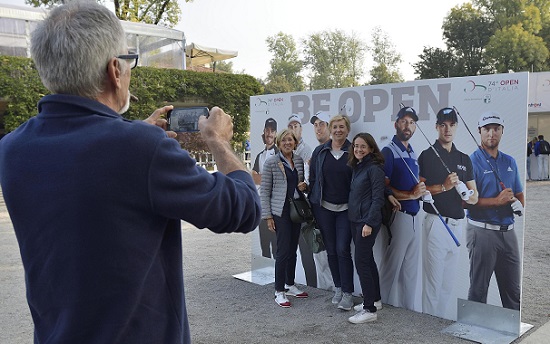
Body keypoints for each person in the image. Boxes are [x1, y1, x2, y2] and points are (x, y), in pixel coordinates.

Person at [0, 2, 261, 343]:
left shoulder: (13, 148)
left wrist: (132, 134)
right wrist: (217, 141)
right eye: (129, 61)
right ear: (115, 70)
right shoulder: (141, 148)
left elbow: (84, 172)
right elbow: (242, 210)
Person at [417, 107, 478, 318]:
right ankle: (428, 326)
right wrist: (443, 187)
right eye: (443, 125)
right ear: (436, 127)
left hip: (457, 225)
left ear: (456, 127)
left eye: (451, 125)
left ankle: (440, 325)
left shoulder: (464, 158)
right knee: (433, 283)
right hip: (436, 222)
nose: (447, 129)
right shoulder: (426, 155)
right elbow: (419, 191)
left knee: (447, 284)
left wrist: (466, 195)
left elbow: (475, 197)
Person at [466, 111, 524, 310]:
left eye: (496, 129)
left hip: (508, 233)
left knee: (513, 289)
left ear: (502, 131)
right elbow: (464, 202)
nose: (491, 133)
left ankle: (511, 328)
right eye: (487, 129)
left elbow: (518, 192)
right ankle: (475, 330)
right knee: (479, 289)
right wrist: (497, 202)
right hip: (482, 232)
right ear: (479, 132)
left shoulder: (510, 162)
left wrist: (518, 203)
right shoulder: (471, 162)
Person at [379, 106, 426, 311]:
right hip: (400, 216)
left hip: (416, 216)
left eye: (412, 122)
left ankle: (409, 312)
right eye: (404, 121)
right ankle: (378, 304)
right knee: (391, 267)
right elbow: (383, 185)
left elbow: (414, 183)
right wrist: (410, 195)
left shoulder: (412, 151)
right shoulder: (388, 150)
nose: (408, 126)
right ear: (396, 124)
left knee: (410, 271)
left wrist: (421, 193)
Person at [309, 114, 355, 311]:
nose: (338, 130)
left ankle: (348, 293)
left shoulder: (355, 151)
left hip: (346, 209)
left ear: (347, 129)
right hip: (324, 209)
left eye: (341, 127)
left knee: (343, 249)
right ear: (330, 129)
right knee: (331, 250)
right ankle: (338, 288)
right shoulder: (320, 151)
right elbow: (313, 181)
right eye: (334, 126)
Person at [260, 129, 309, 307]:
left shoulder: (298, 160)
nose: (287, 143)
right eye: (284, 141)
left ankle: (290, 284)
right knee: (283, 252)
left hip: (296, 210)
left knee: (293, 249)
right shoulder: (272, 162)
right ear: (279, 144)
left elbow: (300, 185)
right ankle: (279, 291)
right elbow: (264, 191)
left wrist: (304, 186)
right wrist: (267, 217)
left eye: (291, 140)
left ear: (295, 142)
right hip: (280, 212)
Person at [347, 133, 385, 324]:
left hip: (366, 221)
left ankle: (369, 309)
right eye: (356, 146)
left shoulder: (374, 168)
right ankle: (375, 300)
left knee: (361, 262)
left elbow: (378, 198)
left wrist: (369, 223)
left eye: (363, 146)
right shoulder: (358, 166)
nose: (359, 149)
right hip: (356, 220)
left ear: (371, 148)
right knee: (367, 260)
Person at [286, 114, 317, 287]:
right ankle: (288, 283)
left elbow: (310, 178)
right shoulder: (282, 155)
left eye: (296, 126)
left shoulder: (307, 151)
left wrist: (304, 185)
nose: (293, 129)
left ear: (301, 129)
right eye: (290, 126)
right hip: (288, 208)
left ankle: (311, 283)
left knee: (307, 248)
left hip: (305, 207)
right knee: (289, 248)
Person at [252, 118, 279, 258]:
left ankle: (278, 277)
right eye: (267, 130)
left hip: (275, 206)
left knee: (276, 246)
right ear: (264, 131)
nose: (269, 133)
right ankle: (266, 276)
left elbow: (278, 179)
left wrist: (262, 177)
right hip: (261, 205)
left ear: (275, 134)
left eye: (272, 131)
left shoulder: (279, 154)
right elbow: (253, 178)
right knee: (264, 247)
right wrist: (267, 177)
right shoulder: (259, 156)